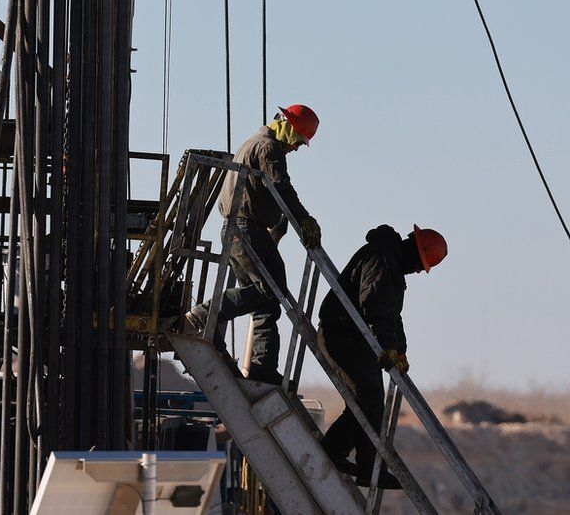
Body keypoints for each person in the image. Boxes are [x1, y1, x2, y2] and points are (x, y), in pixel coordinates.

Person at [184, 104, 322, 384]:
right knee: (273, 292)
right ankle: (201, 317)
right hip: (246, 230)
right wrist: (304, 220)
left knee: (264, 300)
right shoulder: (268, 147)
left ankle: (262, 369)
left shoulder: (254, 144)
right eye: (297, 140)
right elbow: (281, 187)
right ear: (286, 125)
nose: (296, 148)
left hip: (239, 230)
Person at [318, 224, 447, 489]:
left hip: (352, 337)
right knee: (369, 399)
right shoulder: (382, 260)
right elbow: (375, 304)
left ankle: (345, 456)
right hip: (342, 335)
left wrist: (399, 349)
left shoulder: (390, 262)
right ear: (415, 249)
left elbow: (391, 315)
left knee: (369, 400)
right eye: (421, 265)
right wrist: (388, 346)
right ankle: (360, 464)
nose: (419, 271)